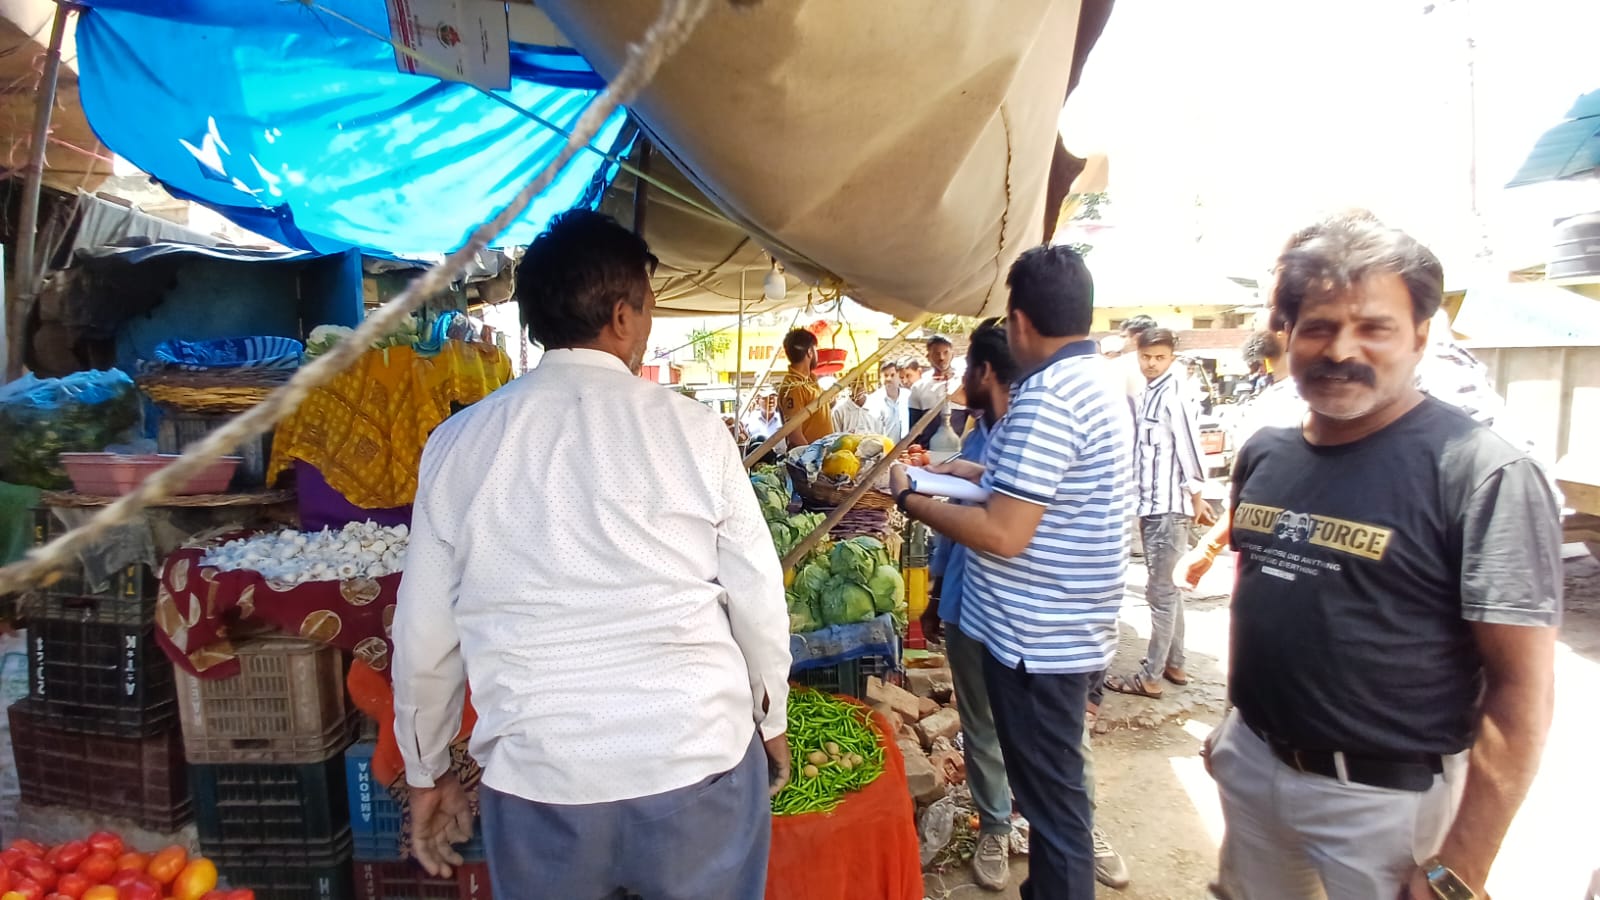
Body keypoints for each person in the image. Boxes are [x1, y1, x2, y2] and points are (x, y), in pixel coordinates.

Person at [391, 210, 794, 899]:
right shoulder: (695, 432)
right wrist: (772, 718)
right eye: (650, 307)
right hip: (695, 760)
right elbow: (757, 598)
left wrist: (426, 771)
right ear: (621, 317)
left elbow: (424, 635)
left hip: (540, 780)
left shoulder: (458, 444)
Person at [1203, 215, 1560, 900]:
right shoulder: (1266, 454)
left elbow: (1523, 691)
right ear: (1287, 334)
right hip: (1253, 773)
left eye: (1374, 327)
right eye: (1318, 327)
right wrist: (1237, 730)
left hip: (1384, 807)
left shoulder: (1482, 474)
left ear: (1420, 336)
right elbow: (1267, 608)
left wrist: (1460, 869)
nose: (1341, 350)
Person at [892, 245, 1133, 900]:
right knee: (1057, 801)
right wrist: (966, 471)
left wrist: (912, 500)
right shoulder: (1098, 382)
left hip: (1036, 643)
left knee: (1053, 814)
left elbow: (1004, 533)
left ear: (1020, 322)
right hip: (1067, 630)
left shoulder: (1047, 398)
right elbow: (1040, 492)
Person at [1104, 328, 1216, 700]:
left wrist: (1196, 498)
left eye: (1159, 358)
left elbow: (1190, 451)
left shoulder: (1173, 395)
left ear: (1171, 358)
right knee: (1167, 590)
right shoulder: (1147, 394)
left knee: (1161, 593)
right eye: (1146, 357)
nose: (1152, 364)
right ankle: (1174, 662)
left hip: (1168, 509)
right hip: (1151, 507)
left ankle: (1150, 676)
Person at [776, 328, 835, 447]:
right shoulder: (793, 387)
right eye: (815, 349)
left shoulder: (811, 380)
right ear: (810, 352)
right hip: (810, 457)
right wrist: (812, 456)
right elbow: (795, 436)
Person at [908, 335, 964, 444]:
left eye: (946, 353)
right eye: (936, 353)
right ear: (928, 356)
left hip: (959, 450)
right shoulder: (918, 387)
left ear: (953, 354)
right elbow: (914, 427)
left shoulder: (963, 383)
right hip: (928, 450)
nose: (941, 358)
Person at [866, 360, 911, 441]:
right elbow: (871, 430)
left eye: (892, 375)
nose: (889, 379)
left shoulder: (908, 396)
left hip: (906, 446)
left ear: (899, 376)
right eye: (885, 375)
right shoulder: (873, 400)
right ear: (880, 378)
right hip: (883, 447)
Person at [1117, 314, 1158, 402]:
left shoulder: (1122, 364)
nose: (1121, 341)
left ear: (1137, 338)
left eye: (1124, 337)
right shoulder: (1176, 365)